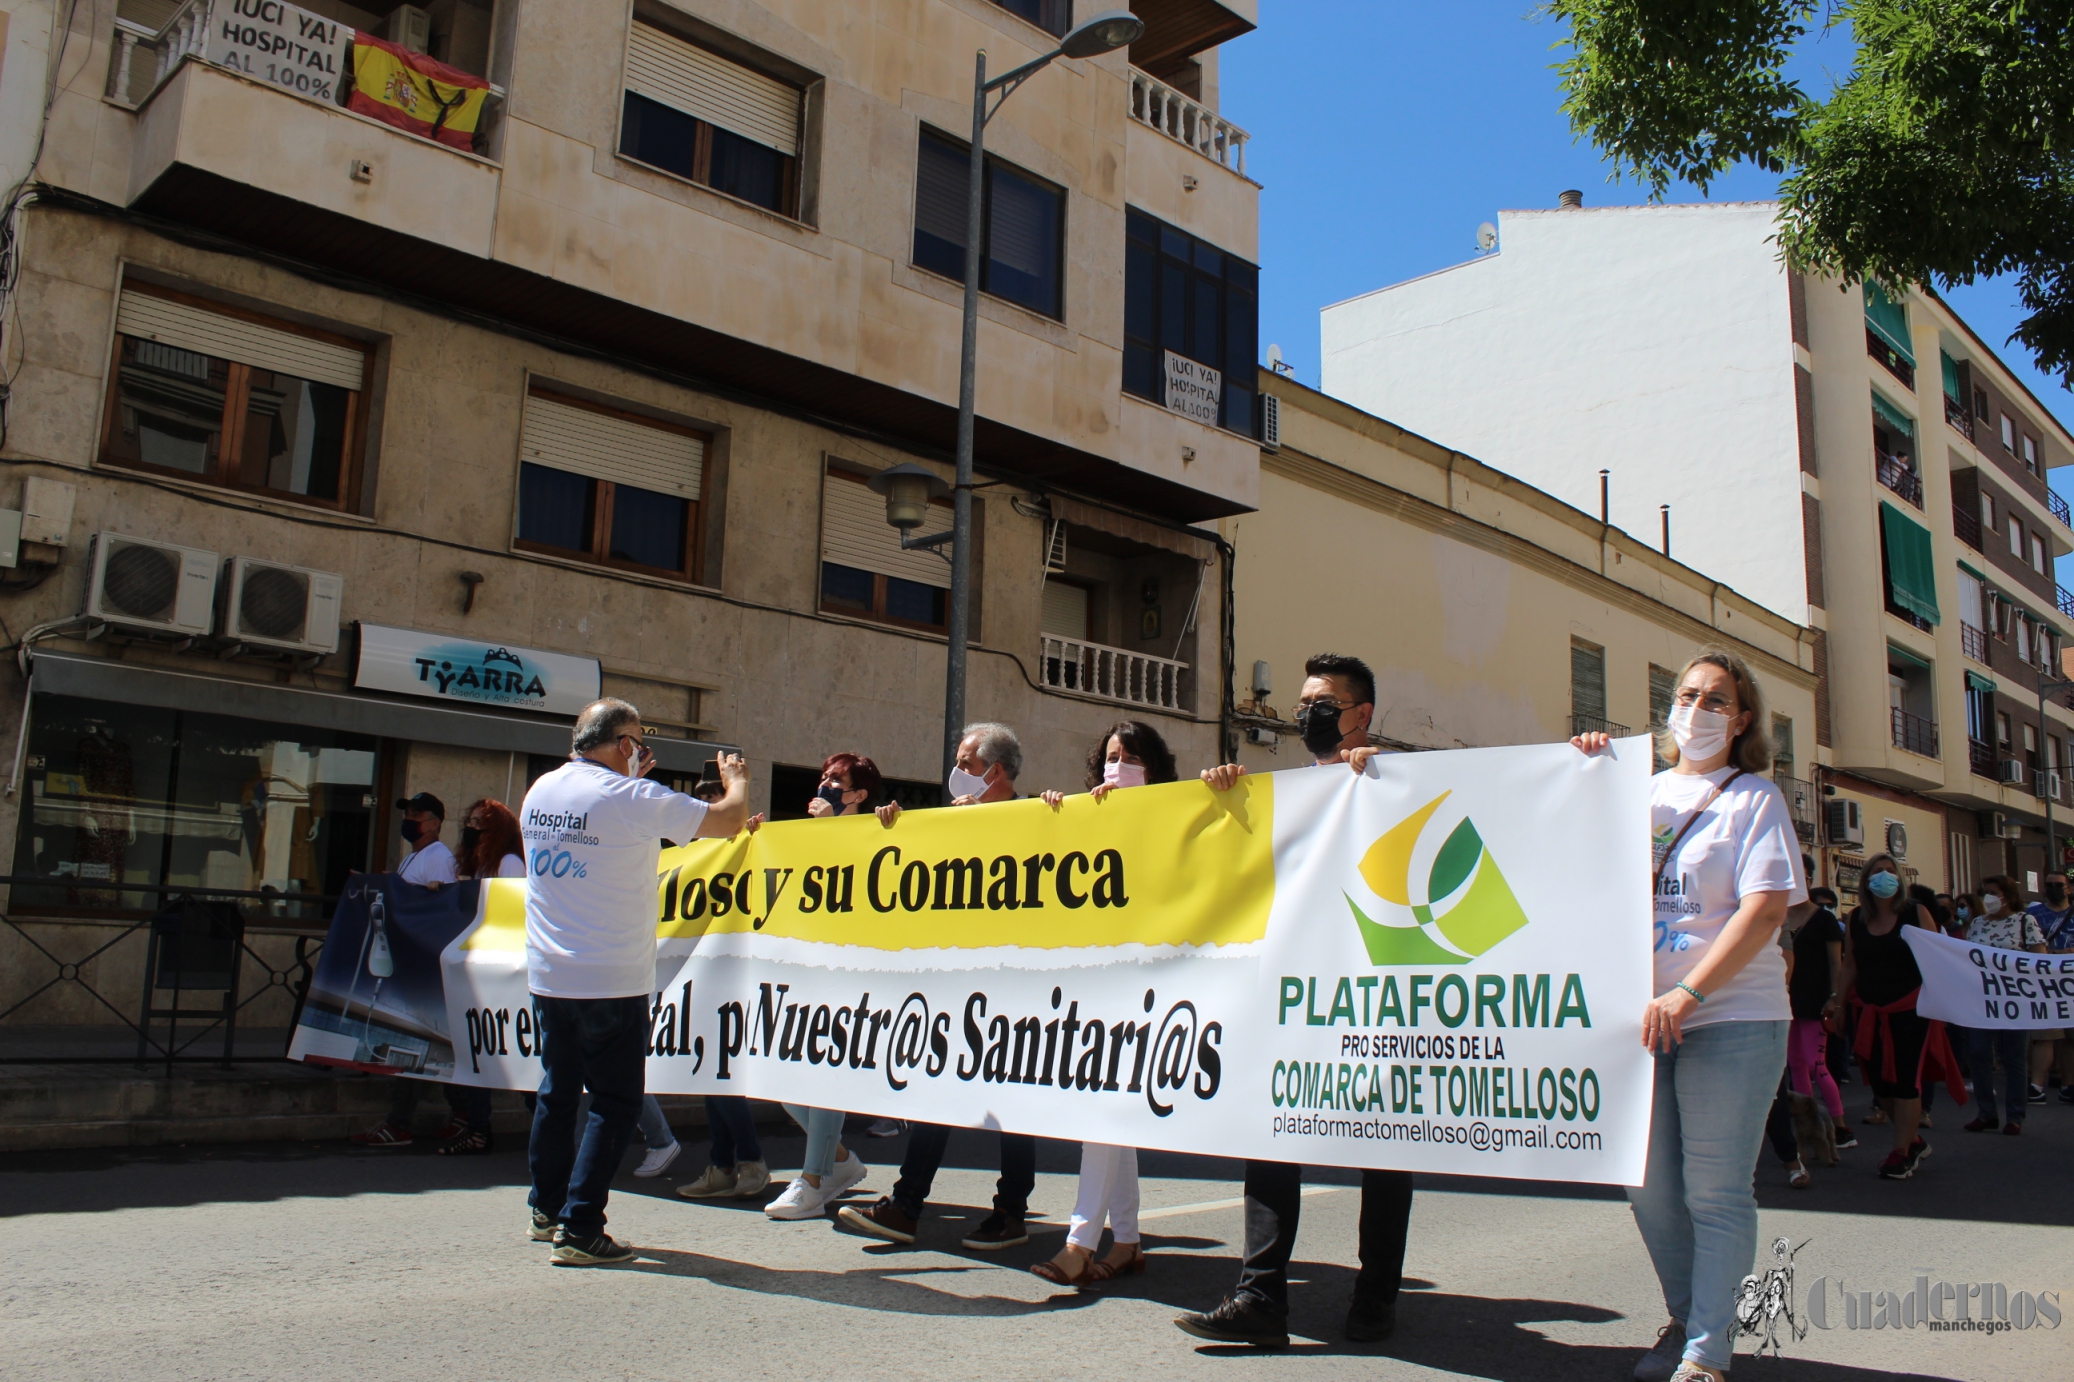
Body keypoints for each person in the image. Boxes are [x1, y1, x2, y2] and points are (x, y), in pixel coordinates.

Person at [1573, 650, 1808, 1382]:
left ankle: (1707, 1355)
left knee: (1715, 1190)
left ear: (1741, 720)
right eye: (1687, 694)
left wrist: (1691, 992)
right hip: (1639, 1022)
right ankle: (1689, 1315)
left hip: (1730, 1018)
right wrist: (1583, 774)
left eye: (1716, 700)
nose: (1698, 709)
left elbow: (1766, 907)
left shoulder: (1754, 799)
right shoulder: (1632, 792)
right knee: (1646, 1184)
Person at [1173, 654, 1410, 1347]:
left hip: (1376, 997)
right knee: (1273, 1133)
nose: (1307, 713)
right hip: (1298, 994)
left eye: (1323, 702)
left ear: (1360, 714)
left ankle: (1375, 1296)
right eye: (1304, 702)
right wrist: (1224, 798)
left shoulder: (1395, 783)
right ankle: (1260, 1299)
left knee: (1387, 1143)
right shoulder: (1284, 794)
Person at [523, 699, 748, 1266]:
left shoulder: (542, 790)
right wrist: (736, 783)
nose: (640, 754)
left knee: (555, 1093)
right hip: (609, 977)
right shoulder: (629, 798)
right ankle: (580, 1227)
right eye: (637, 744)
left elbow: (608, 828)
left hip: (550, 973)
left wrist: (634, 785)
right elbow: (724, 821)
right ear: (624, 745)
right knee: (615, 1102)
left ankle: (546, 1208)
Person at [839, 722, 1037, 1251]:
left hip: (1014, 988)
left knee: (1015, 1104)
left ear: (995, 772)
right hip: (956, 983)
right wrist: (893, 830)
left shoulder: (1038, 817)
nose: (957, 773)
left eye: (967, 763)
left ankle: (1011, 1212)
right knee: (936, 1091)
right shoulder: (948, 822)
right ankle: (906, 1206)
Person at [1030, 720, 1179, 1287]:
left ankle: (1079, 1242)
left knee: (1103, 1105)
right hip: (1101, 979)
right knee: (1113, 1108)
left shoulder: (1173, 813)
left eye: (1132, 756)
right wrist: (1054, 816)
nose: (1119, 766)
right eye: (1112, 755)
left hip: (1151, 983)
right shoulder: (1091, 814)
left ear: (1154, 766)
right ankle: (1130, 1242)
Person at [763, 754, 878, 1221]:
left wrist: (833, 830)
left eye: (838, 779)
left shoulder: (874, 832)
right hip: (807, 969)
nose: (826, 783)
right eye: (825, 776)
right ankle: (840, 1161)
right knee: (786, 1079)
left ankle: (813, 1180)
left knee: (826, 1070)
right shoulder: (806, 834)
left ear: (858, 795)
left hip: (850, 972)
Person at [676, 774, 771, 1202]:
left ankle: (749, 1161)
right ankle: (723, 1165)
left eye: (714, 800)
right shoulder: (689, 855)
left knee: (723, 1073)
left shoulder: (747, 844)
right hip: (699, 974)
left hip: (735, 973)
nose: (707, 808)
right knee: (709, 1074)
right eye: (702, 803)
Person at [1836, 851, 1946, 1180]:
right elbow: (1850, 964)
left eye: (1889, 871)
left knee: (1905, 1080)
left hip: (1910, 1009)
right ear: (1866, 881)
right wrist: (1838, 1004)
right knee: (1880, 1083)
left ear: (1899, 878)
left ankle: (1900, 1153)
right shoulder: (1856, 918)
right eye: (1876, 872)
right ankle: (1911, 1139)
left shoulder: (1916, 913)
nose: (1884, 877)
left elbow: (1936, 958)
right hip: (1869, 1010)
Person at [1964, 874, 2046, 1135]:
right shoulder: (1977, 924)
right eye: (1984, 892)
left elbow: (2039, 959)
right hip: (1982, 1000)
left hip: (2014, 1000)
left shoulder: (2024, 921)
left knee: (2014, 1058)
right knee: (1978, 1053)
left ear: (2008, 896)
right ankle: (1986, 1112)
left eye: (1992, 892)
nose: (1987, 898)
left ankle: (2014, 1116)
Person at [1786, 886, 1854, 1154]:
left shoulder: (1824, 919)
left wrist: (1835, 997)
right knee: (1796, 1065)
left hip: (1817, 1000)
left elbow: (1836, 963)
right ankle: (1807, 1126)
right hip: (1788, 1000)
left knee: (1816, 1065)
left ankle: (1840, 1126)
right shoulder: (1779, 916)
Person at [2024, 870, 2072, 1104]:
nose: (2054, 888)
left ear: (2068, 888)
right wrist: (2058, 954)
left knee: (2071, 1037)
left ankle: (2068, 1086)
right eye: (2049, 884)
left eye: (2059, 885)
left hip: (2070, 983)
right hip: (2043, 982)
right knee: (2045, 1035)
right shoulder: (2031, 914)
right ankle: (2036, 1085)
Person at [395, 792, 456, 887]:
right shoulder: (414, 855)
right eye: (407, 814)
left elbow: (444, 898)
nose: (408, 819)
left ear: (434, 824)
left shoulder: (438, 856)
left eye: (416, 815)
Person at [456, 799, 527, 879]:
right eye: (470, 821)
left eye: (479, 822)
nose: (470, 827)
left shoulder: (509, 862)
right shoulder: (482, 865)